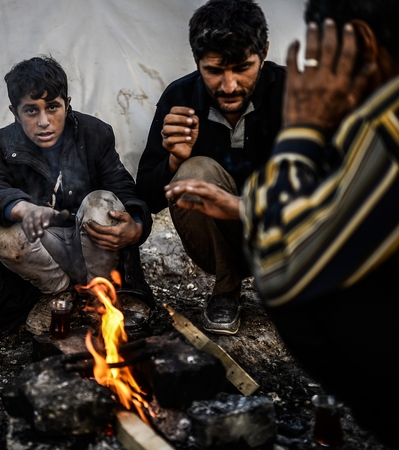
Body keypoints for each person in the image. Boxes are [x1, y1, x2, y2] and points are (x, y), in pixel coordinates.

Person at [242, 0, 399, 447]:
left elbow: (278, 256)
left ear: (359, 43)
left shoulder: (387, 119)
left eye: (318, 54)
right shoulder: (180, 95)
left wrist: (302, 128)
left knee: (303, 279)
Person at [0, 56, 153, 346]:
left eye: (53, 107)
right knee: (3, 231)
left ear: (67, 103)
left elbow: (123, 189)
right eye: (31, 111)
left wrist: (137, 226)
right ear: (14, 112)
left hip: (91, 247)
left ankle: (97, 295)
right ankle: (59, 293)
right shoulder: (3, 143)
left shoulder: (95, 133)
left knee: (103, 202)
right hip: (46, 252)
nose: (44, 122)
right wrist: (23, 208)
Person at [136, 0, 285, 334]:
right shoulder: (180, 97)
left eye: (243, 67)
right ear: (196, 61)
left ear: (264, 52)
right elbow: (145, 195)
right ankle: (226, 287)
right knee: (193, 172)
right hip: (223, 242)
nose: (229, 86)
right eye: (215, 71)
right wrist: (174, 160)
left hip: (283, 230)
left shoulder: (294, 95)